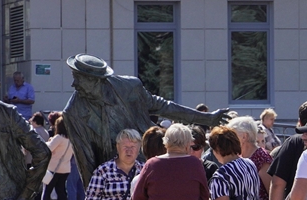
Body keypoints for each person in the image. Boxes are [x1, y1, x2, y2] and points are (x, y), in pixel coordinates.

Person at [62, 54, 229, 186]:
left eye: (78, 78)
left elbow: (164, 107)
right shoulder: (74, 112)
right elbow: (86, 160)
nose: (74, 84)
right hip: (116, 173)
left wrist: (207, 119)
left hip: (151, 156)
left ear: (95, 80)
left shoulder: (128, 87)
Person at [42, 117, 73, 200]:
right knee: (62, 191)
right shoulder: (71, 139)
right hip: (65, 168)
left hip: (53, 168)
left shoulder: (58, 138)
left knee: (47, 190)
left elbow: (48, 149)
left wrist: (48, 141)